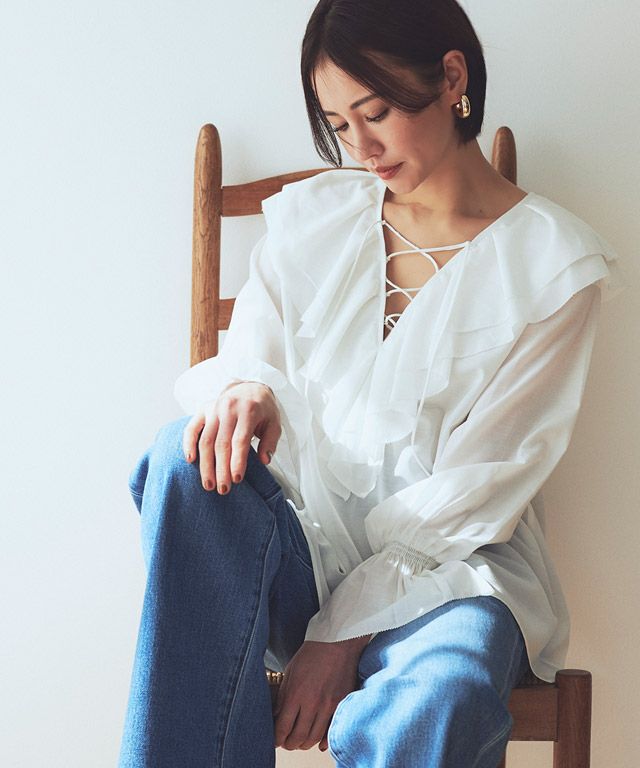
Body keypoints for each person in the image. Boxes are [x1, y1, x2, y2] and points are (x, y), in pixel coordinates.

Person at [118, 1, 627, 766]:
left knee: (444, 692)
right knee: (181, 459)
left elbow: (476, 493)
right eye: (338, 124)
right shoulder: (317, 218)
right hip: (300, 553)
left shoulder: (554, 268)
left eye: (377, 112)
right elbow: (255, 350)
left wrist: (338, 637)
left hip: (449, 580)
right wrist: (250, 390)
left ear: (451, 78)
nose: (361, 147)